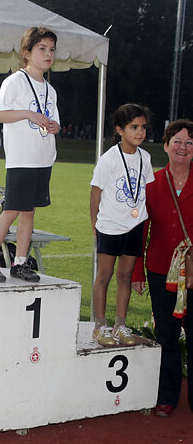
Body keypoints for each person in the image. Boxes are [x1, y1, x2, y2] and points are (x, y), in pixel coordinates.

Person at [0, 27, 60, 284]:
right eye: (42, 49)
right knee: (11, 210)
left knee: (29, 212)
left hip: (42, 159)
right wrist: (27, 114)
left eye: (52, 49)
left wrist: (54, 126)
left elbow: (53, 120)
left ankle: (20, 263)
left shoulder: (50, 89)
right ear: (26, 52)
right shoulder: (15, 82)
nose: (48, 54)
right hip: (22, 158)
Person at [132, 119, 193, 417]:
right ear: (166, 146)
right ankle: (167, 397)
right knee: (167, 336)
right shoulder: (151, 183)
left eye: (189, 143)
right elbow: (141, 231)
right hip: (160, 271)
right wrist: (136, 273)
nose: (183, 147)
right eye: (177, 141)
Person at [90, 104, 154, 347]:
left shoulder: (145, 157)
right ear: (120, 130)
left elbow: (146, 189)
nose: (140, 132)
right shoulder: (109, 159)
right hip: (110, 226)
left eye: (143, 127)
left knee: (125, 276)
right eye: (134, 127)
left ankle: (120, 325)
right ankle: (100, 326)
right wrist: (95, 225)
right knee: (104, 276)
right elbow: (95, 193)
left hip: (135, 225)